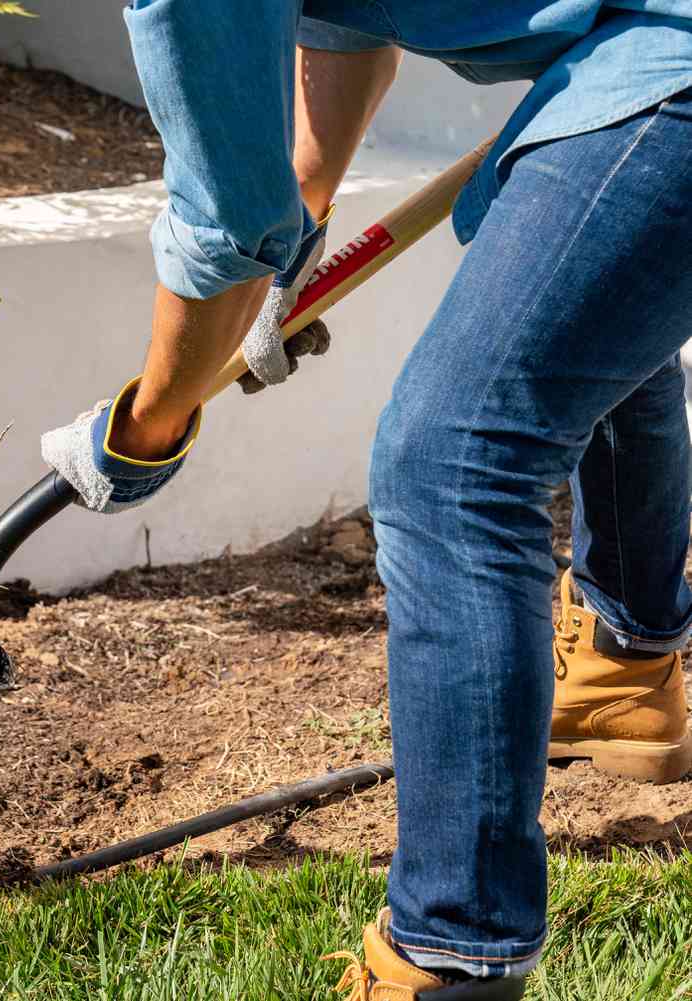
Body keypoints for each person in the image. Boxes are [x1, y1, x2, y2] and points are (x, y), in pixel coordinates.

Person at [41, 4, 692, 998]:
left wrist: (145, 428)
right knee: (588, 317)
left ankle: (451, 951)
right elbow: (339, 39)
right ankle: (627, 665)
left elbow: (223, 225)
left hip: (667, 66)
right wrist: (296, 241)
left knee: (452, 459)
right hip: (639, 51)